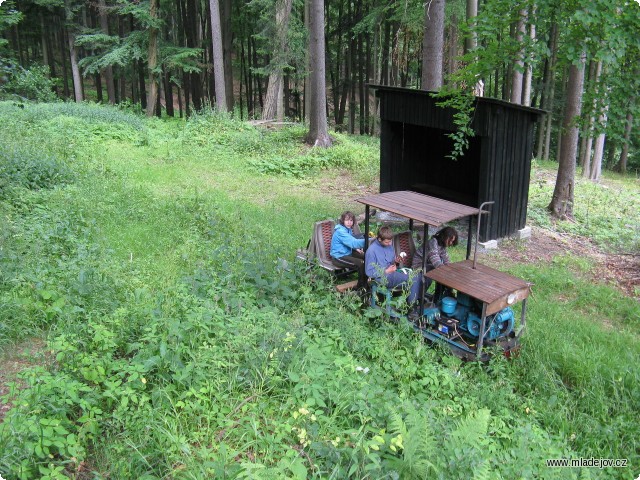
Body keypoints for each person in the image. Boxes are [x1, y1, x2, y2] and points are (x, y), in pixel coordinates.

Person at [365, 226, 422, 308]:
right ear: (380, 239)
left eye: (390, 241)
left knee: (419, 276)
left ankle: (415, 301)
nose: (389, 244)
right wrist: (386, 271)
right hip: (382, 278)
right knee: (414, 279)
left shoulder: (389, 246)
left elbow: (391, 263)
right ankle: (412, 308)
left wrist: (396, 261)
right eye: (387, 242)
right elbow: (369, 272)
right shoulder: (371, 251)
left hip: (393, 273)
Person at [412, 226, 458, 296]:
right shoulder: (433, 242)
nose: (451, 243)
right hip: (418, 266)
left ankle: (442, 294)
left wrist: (450, 269)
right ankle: (439, 295)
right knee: (439, 272)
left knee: (442, 271)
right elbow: (436, 261)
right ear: (445, 237)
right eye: (450, 240)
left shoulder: (442, 246)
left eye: (452, 241)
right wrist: (446, 270)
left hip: (426, 265)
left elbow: (446, 260)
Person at [330, 211, 367, 289]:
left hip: (347, 252)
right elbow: (353, 243)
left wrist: (355, 248)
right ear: (343, 221)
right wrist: (369, 241)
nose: (349, 222)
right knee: (360, 263)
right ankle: (360, 287)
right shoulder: (341, 231)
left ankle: (367, 279)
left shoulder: (347, 229)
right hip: (339, 257)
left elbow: (349, 242)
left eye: (351, 220)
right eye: (347, 220)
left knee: (366, 257)